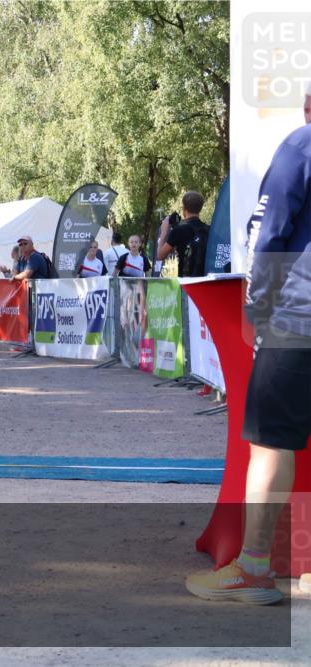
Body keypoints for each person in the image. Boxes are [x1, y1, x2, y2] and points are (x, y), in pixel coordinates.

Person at [185, 121, 311, 605]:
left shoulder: (301, 145)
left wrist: (257, 310)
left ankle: (255, 568)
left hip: (297, 320)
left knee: (270, 444)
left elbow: (269, 234)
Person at [157, 191, 209, 278]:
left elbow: (160, 255)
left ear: (184, 208)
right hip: (205, 281)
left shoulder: (179, 231)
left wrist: (163, 233)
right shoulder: (208, 229)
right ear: (200, 208)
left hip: (186, 282)